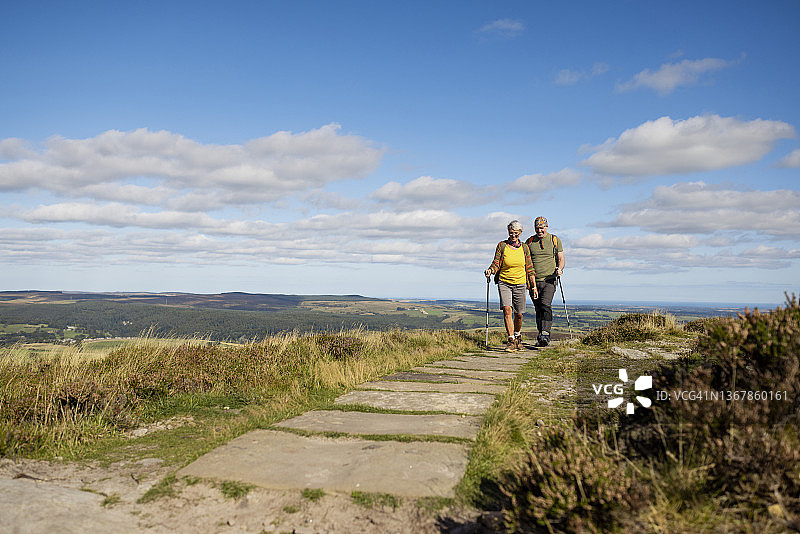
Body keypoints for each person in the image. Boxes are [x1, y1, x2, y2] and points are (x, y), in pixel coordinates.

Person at [484, 220, 538, 352]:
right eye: (511, 233)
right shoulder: (502, 246)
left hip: (521, 283)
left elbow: (530, 268)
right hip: (504, 282)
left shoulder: (525, 248)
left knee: (519, 314)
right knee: (507, 310)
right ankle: (511, 340)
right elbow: (496, 262)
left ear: (520, 233)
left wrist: (534, 286)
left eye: (516, 233)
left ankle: (517, 336)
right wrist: (490, 270)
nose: (513, 235)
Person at [525, 216, 565, 347]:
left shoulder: (554, 240)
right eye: (537, 228)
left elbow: (561, 258)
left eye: (542, 228)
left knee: (545, 305)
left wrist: (560, 269)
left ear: (547, 227)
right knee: (538, 309)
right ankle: (541, 336)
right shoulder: (529, 242)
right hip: (533, 281)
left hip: (549, 279)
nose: (539, 230)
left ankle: (545, 333)